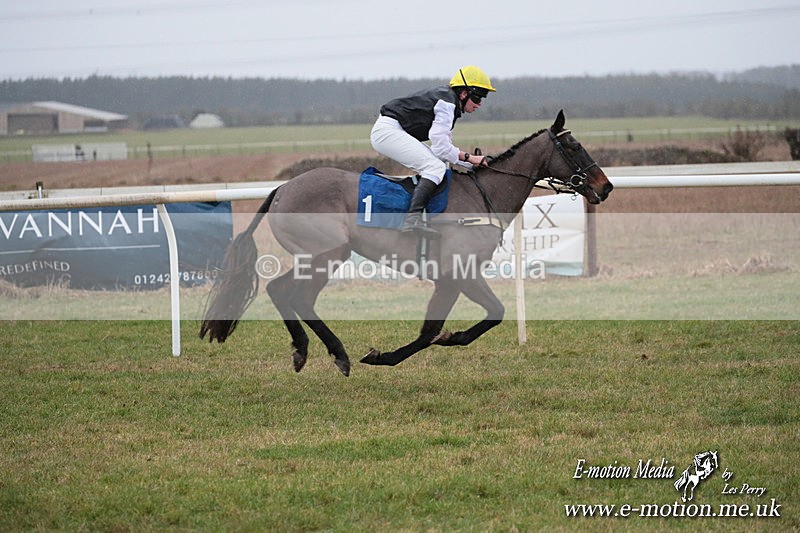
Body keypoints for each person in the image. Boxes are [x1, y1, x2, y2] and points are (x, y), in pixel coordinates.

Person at [370, 65, 496, 238]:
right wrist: (470, 158)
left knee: (439, 165)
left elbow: (444, 151)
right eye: (477, 97)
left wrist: (469, 164)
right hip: (387, 131)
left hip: (394, 129)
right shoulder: (446, 104)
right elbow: (441, 148)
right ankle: (412, 219)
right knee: (435, 168)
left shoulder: (449, 102)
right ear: (464, 93)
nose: (479, 104)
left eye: (483, 99)